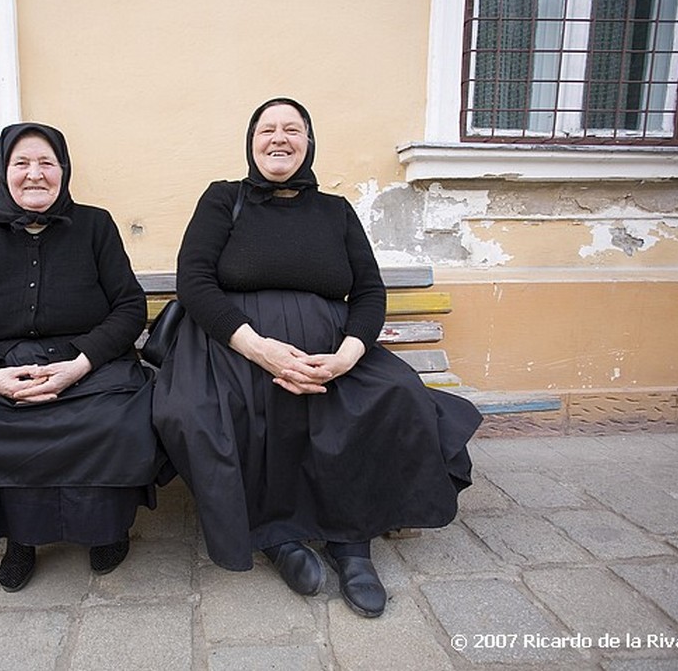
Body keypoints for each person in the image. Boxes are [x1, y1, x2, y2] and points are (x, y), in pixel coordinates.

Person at [152, 98, 481, 618]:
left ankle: (352, 541)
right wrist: (258, 348)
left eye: (292, 129)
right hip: (233, 344)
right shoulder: (223, 200)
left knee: (390, 397)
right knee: (222, 408)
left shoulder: (336, 211)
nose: (279, 138)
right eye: (267, 129)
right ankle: (277, 536)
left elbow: (370, 293)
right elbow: (193, 281)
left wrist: (347, 355)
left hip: (331, 348)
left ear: (308, 142)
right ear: (251, 140)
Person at [0, 122, 161, 592]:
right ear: (4, 170)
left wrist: (80, 364)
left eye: (46, 163)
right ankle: (20, 539)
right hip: (6, 367)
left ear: (63, 170)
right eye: (22, 163)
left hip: (88, 365)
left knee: (115, 423)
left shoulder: (95, 226)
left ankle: (105, 530)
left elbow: (128, 308)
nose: (34, 174)